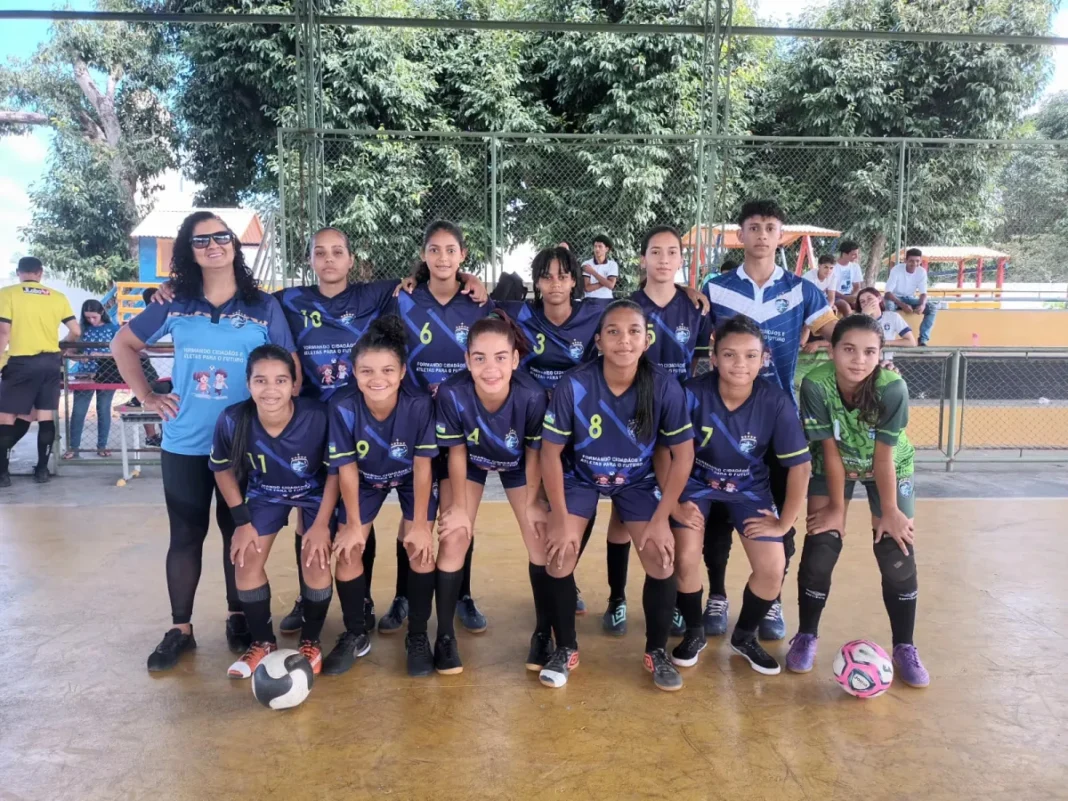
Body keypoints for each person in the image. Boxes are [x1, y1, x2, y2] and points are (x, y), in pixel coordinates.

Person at [153, 225, 489, 637]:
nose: (329, 259)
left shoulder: (375, 295)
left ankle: (397, 599)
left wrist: (467, 279)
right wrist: (174, 289)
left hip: (373, 418)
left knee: (402, 516)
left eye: (338, 252)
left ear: (351, 260)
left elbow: (425, 276)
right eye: (320, 252)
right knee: (315, 520)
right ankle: (313, 600)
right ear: (309, 259)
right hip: (311, 425)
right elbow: (237, 293)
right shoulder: (285, 300)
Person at [111, 211, 297, 672]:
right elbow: (122, 344)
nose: (213, 246)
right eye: (201, 241)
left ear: (235, 244)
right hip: (186, 440)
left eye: (221, 237)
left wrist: (279, 424)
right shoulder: (175, 303)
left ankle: (239, 616)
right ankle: (181, 629)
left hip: (245, 445)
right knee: (186, 535)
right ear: (188, 252)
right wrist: (149, 396)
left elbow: (289, 366)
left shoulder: (264, 306)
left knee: (239, 532)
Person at [538, 299, 695, 692]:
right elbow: (551, 453)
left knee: (662, 558)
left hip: (637, 481)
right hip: (581, 477)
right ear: (599, 340)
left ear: (646, 340)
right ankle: (566, 649)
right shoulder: (574, 384)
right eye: (613, 332)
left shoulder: (663, 385)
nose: (624, 340)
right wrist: (558, 515)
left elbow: (683, 454)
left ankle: (655, 651)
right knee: (558, 556)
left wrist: (661, 518)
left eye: (633, 332)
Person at [701, 200, 837, 641]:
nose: (762, 234)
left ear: (782, 237)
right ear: (741, 235)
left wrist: (878, 361)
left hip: (777, 419)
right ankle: (717, 595)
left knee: (780, 515)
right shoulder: (715, 286)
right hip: (724, 417)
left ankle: (771, 599)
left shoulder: (802, 290)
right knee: (718, 516)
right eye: (754, 227)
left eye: (771, 228)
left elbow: (839, 332)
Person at [786, 314, 928, 688]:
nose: (858, 359)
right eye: (848, 349)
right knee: (821, 546)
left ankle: (904, 647)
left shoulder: (892, 388)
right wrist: (836, 507)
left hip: (888, 466)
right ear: (831, 351)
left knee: (896, 550)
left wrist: (892, 512)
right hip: (833, 464)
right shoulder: (815, 385)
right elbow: (829, 450)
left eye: (869, 352)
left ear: (880, 355)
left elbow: (883, 458)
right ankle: (806, 635)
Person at [670, 316, 811, 674]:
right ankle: (695, 631)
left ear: (764, 359)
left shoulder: (775, 402)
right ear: (714, 358)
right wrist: (672, 502)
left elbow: (800, 467)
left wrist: (785, 522)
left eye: (750, 356)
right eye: (730, 355)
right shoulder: (690, 393)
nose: (740, 364)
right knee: (685, 557)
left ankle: (745, 635)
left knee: (772, 566)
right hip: (696, 483)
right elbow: (662, 450)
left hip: (748, 488)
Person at [327, 316, 460, 677]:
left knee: (420, 547)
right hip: (366, 478)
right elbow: (347, 468)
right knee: (350, 548)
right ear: (353, 373)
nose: (377, 378)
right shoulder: (342, 406)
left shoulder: (418, 405)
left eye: (387, 369)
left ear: (402, 372)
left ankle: (417, 635)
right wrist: (354, 524)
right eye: (366, 370)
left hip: (405, 477)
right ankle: (356, 632)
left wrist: (418, 524)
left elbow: (421, 466)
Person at [384, 220, 495, 637]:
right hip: (414, 423)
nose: (443, 258)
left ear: (463, 256)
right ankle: (403, 596)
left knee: (460, 515)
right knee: (414, 516)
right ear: (424, 254)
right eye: (435, 250)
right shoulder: (405, 298)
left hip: (465, 425)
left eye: (451, 250)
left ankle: (462, 594)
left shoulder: (480, 302)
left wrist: (477, 282)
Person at [208, 345, 341, 678]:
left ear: (294, 385)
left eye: (281, 380)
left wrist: (322, 524)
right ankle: (262, 643)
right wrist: (241, 521)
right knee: (246, 558)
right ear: (248, 384)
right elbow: (221, 469)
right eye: (261, 380)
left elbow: (337, 473)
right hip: (265, 495)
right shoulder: (232, 419)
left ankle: (310, 642)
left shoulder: (318, 416)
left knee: (316, 557)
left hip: (314, 495)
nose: (270, 389)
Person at [434, 313, 550, 670]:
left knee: (539, 535)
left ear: (515, 359)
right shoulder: (453, 393)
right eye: (480, 357)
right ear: (467, 360)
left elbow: (533, 453)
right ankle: (444, 636)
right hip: (468, 461)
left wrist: (532, 502)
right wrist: (456, 509)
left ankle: (544, 632)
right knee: (454, 535)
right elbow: (455, 453)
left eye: (501, 357)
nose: (490, 367)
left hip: (517, 464)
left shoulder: (531, 395)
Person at [0, 256, 81, 486]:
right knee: (45, 415)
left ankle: (3, 475)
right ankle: (42, 471)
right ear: (40, 273)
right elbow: (75, 330)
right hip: (50, 362)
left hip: (20, 363)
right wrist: (62, 348)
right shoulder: (57, 297)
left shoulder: (8, 294)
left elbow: (3, 332)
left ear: (19, 272)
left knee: (6, 417)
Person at [63, 300, 120, 459]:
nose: (91, 321)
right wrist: (80, 358)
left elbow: (122, 351)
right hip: (85, 375)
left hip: (107, 375)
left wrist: (102, 355)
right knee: (79, 411)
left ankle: (102, 446)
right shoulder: (81, 330)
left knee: (103, 410)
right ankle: (73, 447)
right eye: (88, 318)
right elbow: (70, 351)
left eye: (94, 317)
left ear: (102, 313)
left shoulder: (114, 329)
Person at [883, 248, 936, 346]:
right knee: (889, 308)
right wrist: (902, 305)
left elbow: (923, 293)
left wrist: (922, 305)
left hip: (909, 299)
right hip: (894, 299)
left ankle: (922, 340)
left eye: (917, 261)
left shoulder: (921, 272)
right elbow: (888, 293)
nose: (914, 264)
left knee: (932, 308)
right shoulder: (897, 269)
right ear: (905, 260)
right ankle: (889, 340)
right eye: (911, 261)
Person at [581, 235, 618, 300]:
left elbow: (611, 286)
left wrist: (593, 272)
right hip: (590, 299)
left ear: (606, 249)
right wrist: (606, 282)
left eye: (600, 246)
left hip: (607, 299)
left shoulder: (612, 264)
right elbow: (587, 288)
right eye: (595, 246)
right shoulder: (586, 264)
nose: (597, 249)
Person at [833, 240, 864, 317]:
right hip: (834, 296)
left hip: (849, 295)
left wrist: (852, 296)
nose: (856, 257)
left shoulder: (855, 266)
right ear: (844, 254)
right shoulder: (832, 267)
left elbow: (857, 286)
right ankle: (849, 328)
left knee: (865, 303)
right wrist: (845, 298)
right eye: (853, 254)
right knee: (845, 306)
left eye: (857, 254)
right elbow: (829, 289)